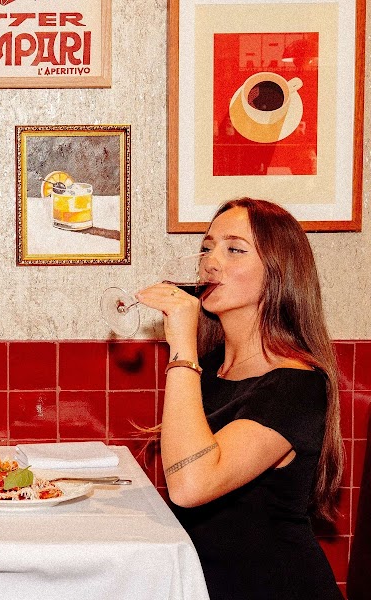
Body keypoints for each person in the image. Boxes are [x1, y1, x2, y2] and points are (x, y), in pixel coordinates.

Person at [135, 197, 343, 599]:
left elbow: (191, 486)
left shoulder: (296, 385)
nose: (210, 262)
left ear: (279, 272)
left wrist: (182, 347)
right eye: (207, 247)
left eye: (235, 250)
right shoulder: (211, 366)